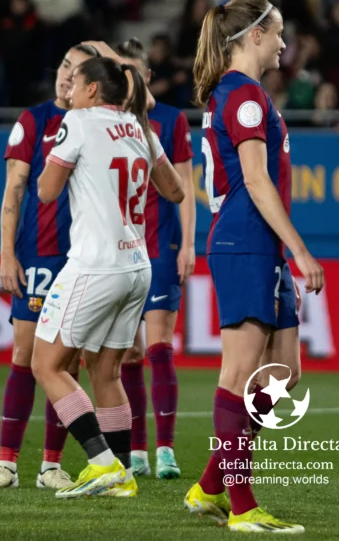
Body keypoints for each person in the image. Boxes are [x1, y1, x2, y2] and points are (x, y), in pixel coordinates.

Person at [182, 0, 324, 534]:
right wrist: (301, 249)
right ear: (254, 35)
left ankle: (212, 485)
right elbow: (257, 181)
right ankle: (241, 507)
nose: (286, 42)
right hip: (247, 240)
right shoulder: (243, 95)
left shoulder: (242, 93)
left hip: (257, 243)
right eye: (280, 32)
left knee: (284, 373)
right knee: (240, 374)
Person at [31, 55, 185, 499]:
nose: (69, 91)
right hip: (138, 266)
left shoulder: (78, 121)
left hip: (95, 264)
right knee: (107, 370)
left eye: (75, 83)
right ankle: (123, 475)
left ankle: (102, 464)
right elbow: (174, 191)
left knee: (47, 363)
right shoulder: (142, 128)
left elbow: (46, 191)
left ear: (93, 90)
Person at [0, 41, 107, 490]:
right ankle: (6, 465)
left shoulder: (98, 122)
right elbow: (14, 190)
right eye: (64, 64)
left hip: (83, 259)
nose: (67, 74)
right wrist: (7, 254)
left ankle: (52, 465)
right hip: (40, 257)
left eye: (78, 68)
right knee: (25, 357)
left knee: (64, 364)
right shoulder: (34, 121)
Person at [115, 38, 196, 480]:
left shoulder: (171, 120)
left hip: (160, 246)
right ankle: (138, 451)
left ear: (146, 75)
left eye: (131, 70)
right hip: (120, 252)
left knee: (160, 348)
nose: (125, 79)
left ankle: (165, 449)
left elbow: (185, 187)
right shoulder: (109, 122)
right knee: (129, 354)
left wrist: (187, 244)